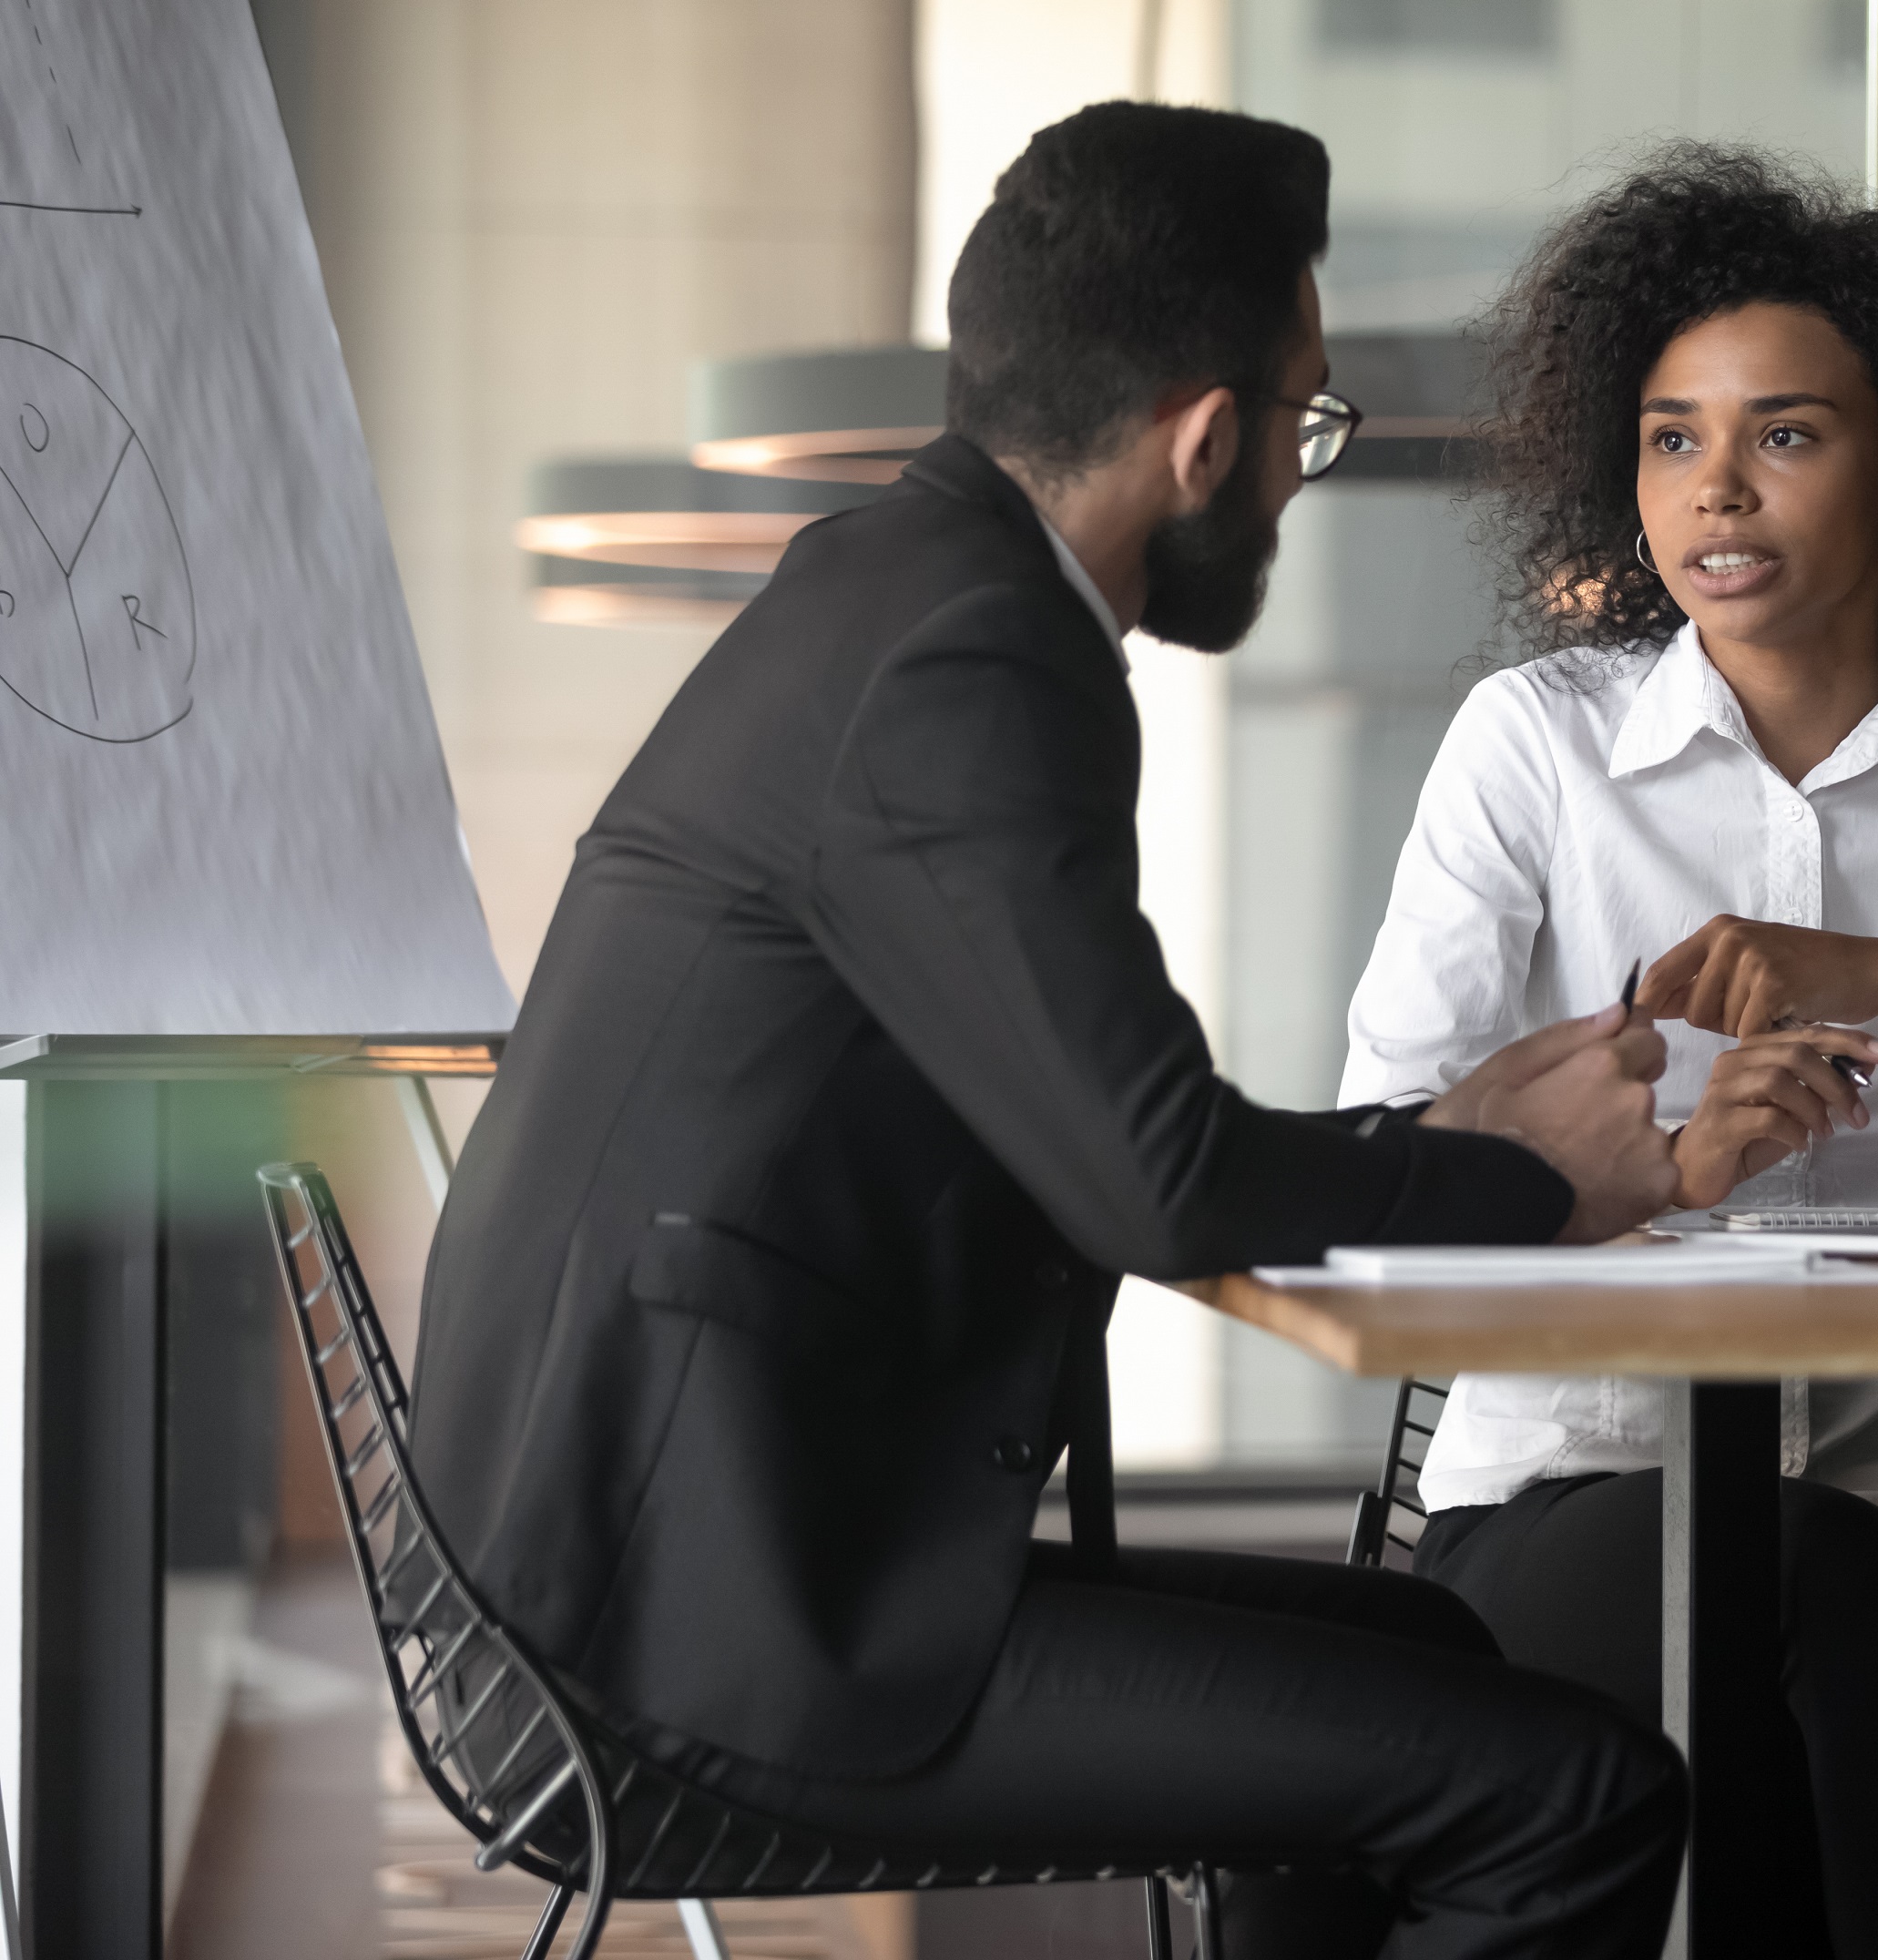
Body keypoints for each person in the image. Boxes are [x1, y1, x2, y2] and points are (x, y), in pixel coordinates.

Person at [411, 104, 1690, 1960]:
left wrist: (1456, 1120)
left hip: (663, 1543)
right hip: (680, 1621)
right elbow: (1158, 1179)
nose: (1291, 479)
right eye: (1302, 424)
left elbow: (1098, 1121)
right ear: (1200, 433)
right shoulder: (978, 659)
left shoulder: (894, 584)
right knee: (1583, 1792)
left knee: (1425, 1655)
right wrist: (1527, 1179)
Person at [1339, 146, 1878, 1960]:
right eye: (1670, 436)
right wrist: (1647, 1150)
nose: (1715, 485)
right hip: (1564, 1484)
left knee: (1839, 1565)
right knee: (1804, 1568)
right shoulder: (1535, 745)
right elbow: (1384, 1130)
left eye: (1785, 433)